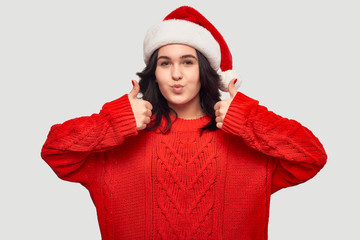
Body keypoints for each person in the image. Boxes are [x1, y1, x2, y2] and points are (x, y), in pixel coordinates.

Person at [41, 6, 327, 240]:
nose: (176, 74)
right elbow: (55, 150)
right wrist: (114, 121)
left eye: (188, 62)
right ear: (154, 73)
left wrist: (247, 118)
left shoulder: (246, 141)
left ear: (205, 70)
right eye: (165, 63)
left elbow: (311, 156)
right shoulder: (118, 142)